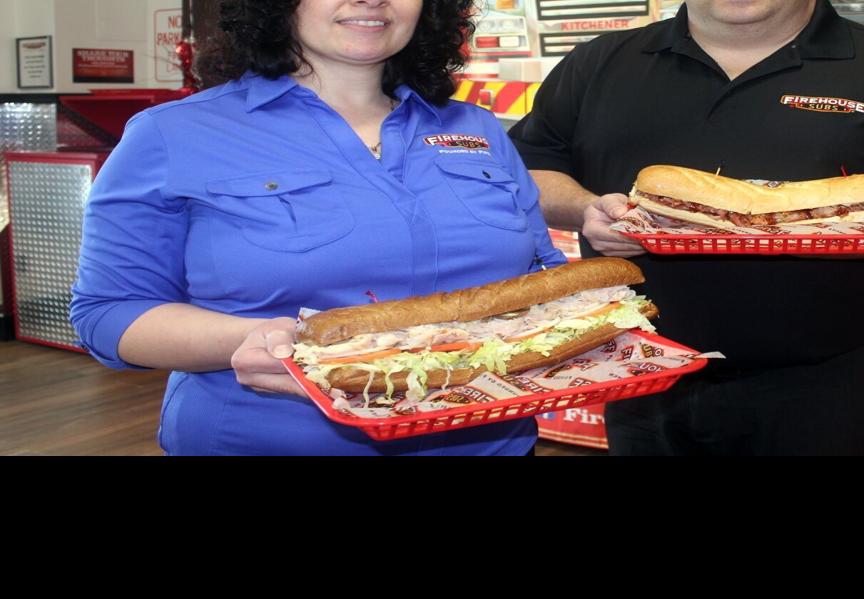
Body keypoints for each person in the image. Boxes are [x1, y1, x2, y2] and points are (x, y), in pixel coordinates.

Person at [509, 0, 864, 456]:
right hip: (641, 367)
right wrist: (585, 209)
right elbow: (530, 169)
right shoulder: (599, 63)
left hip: (826, 383)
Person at [70, 0, 563, 455]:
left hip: (489, 441)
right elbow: (110, 312)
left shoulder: (477, 129)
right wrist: (251, 338)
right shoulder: (172, 134)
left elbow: (545, 278)